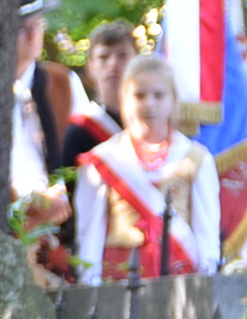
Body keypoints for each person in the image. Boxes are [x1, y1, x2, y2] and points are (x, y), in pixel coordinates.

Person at [76, 53, 218, 282]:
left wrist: (205, 282)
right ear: (124, 99)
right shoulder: (103, 159)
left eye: (159, 95)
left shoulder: (196, 159)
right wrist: (91, 285)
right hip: (118, 281)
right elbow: (89, 235)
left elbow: (207, 232)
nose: (149, 104)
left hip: (179, 280)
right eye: (139, 95)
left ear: (173, 99)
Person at [11, 0, 88, 234]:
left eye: (38, 24)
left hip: (59, 221)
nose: (33, 34)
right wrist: (27, 203)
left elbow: (84, 151)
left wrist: (62, 193)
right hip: (6, 216)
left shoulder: (62, 81)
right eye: (22, 28)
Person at [63, 19, 136, 161]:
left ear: (137, 61)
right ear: (90, 68)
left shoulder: (152, 124)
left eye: (122, 55)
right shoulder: (77, 133)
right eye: (103, 57)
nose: (113, 64)